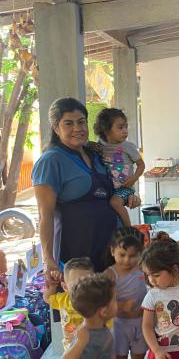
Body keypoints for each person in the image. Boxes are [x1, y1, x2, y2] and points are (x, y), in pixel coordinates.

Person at [34, 97, 138, 276]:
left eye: (81, 122)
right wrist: (48, 258)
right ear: (56, 128)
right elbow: (46, 215)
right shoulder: (51, 161)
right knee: (83, 293)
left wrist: (128, 197)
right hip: (76, 251)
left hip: (110, 249)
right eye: (68, 123)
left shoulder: (96, 154)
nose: (77, 128)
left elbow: (109, 193)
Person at [104, 227, 148, 359]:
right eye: (122, 255)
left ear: (140, 253)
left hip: (142, 323)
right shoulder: (110, 274)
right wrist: (122, 306)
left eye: (133, 255)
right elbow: (105, 304)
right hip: (119, 325)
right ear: (112, 251)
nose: (127, 260)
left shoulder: (143, 269)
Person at [94, 108, 144, 228]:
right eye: (120, 128)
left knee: (115, 202)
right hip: (109, 188)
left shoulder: (128, 147)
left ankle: (128, 229)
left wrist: (134, 178)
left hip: (124, 187)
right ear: (106, 130)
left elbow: (141, 165)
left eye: (126, 127)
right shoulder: (99, 146)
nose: (125, 131)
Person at [43, 257, 96, 352]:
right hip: (69, 349)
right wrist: (52, 285)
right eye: (76, 285)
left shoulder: (98, 302)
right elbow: (47, 298)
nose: (82, 289)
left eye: (87, 283)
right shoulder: (63, 300)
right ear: (65, 287)